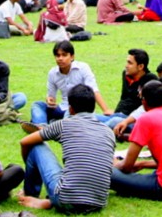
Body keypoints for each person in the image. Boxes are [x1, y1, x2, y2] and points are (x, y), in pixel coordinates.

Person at [19, 83, 116, 213]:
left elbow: (24, 142)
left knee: (36, 145)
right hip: (98, 203)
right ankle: (51, 201)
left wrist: (33, 166)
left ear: (70, 109)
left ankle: (30, 194)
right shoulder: (109, 132)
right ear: (93, 107)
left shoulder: (64, 124)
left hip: (65, 199)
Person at [29, 41, 112, 125]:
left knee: (110, 120)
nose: (60, 58)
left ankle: (52, 124)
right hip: (62, 108)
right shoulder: (53, 73)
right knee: (38, 105)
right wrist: (49, 99)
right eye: (58, 55)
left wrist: (105, 110)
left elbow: (94, 90)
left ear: (72, 57)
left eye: (64, 55)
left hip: (79, 111)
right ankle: (42, 126)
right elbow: (51, 96)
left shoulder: (83, 68)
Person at [96, 49, 157, 130]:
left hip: (133, 120)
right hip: (118, 115)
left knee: (114, 122)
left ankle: (96, 131)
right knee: (92, 117)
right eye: (127, 62)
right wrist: (116, 112)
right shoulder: (126, 74)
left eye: (130, 63)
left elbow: (150, 108)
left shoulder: (151, 81)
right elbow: (124, 97)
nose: (126, 65)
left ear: (141, 66)